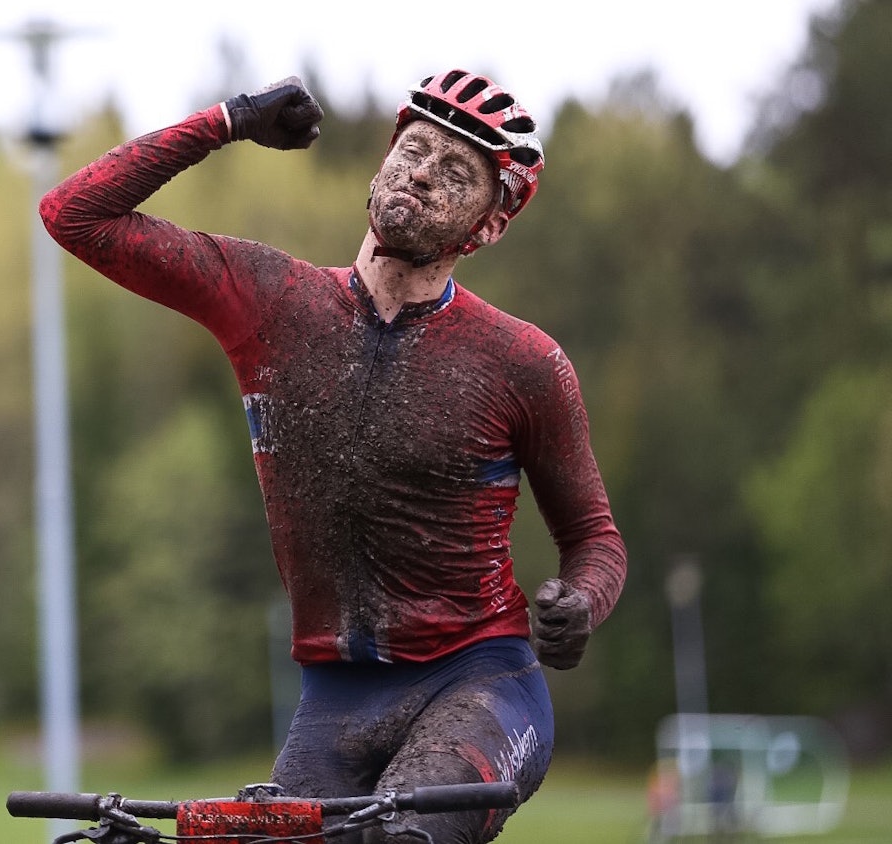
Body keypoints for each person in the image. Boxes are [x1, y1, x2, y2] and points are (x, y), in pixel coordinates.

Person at [40, 70, 627, 844]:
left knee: (401, 836)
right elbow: (73, 214)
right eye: (413, 150)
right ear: (382, 160)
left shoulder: (523, 362)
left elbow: (594, 538)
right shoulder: (272, 300)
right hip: (334, 700)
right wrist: (228, 120)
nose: (421, 171)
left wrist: (580, 604)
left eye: (454, 173)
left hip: (480, 682)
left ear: (487, 227)